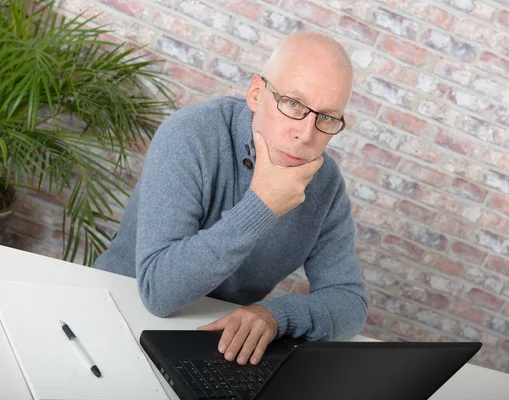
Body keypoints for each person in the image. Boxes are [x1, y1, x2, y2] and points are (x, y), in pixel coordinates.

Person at [93, 30, 367, 367]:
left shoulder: (326, 184)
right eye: (293, 104)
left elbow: (349, 302)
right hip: (115, 312)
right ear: (256, 93)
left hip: (213, 342)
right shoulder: (190, 136)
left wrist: (274, 315)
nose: (306, 133)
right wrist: (262, 206)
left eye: (326, 116)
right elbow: (158, 293)